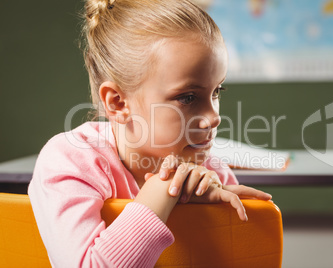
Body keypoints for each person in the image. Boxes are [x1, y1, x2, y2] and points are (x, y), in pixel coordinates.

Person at [28, 0, 272, 267]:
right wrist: (167, 188)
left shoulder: (211, 174)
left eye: (217, 92)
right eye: (188, 97)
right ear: (118, 103)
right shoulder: (70, 161)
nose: (214, 117)